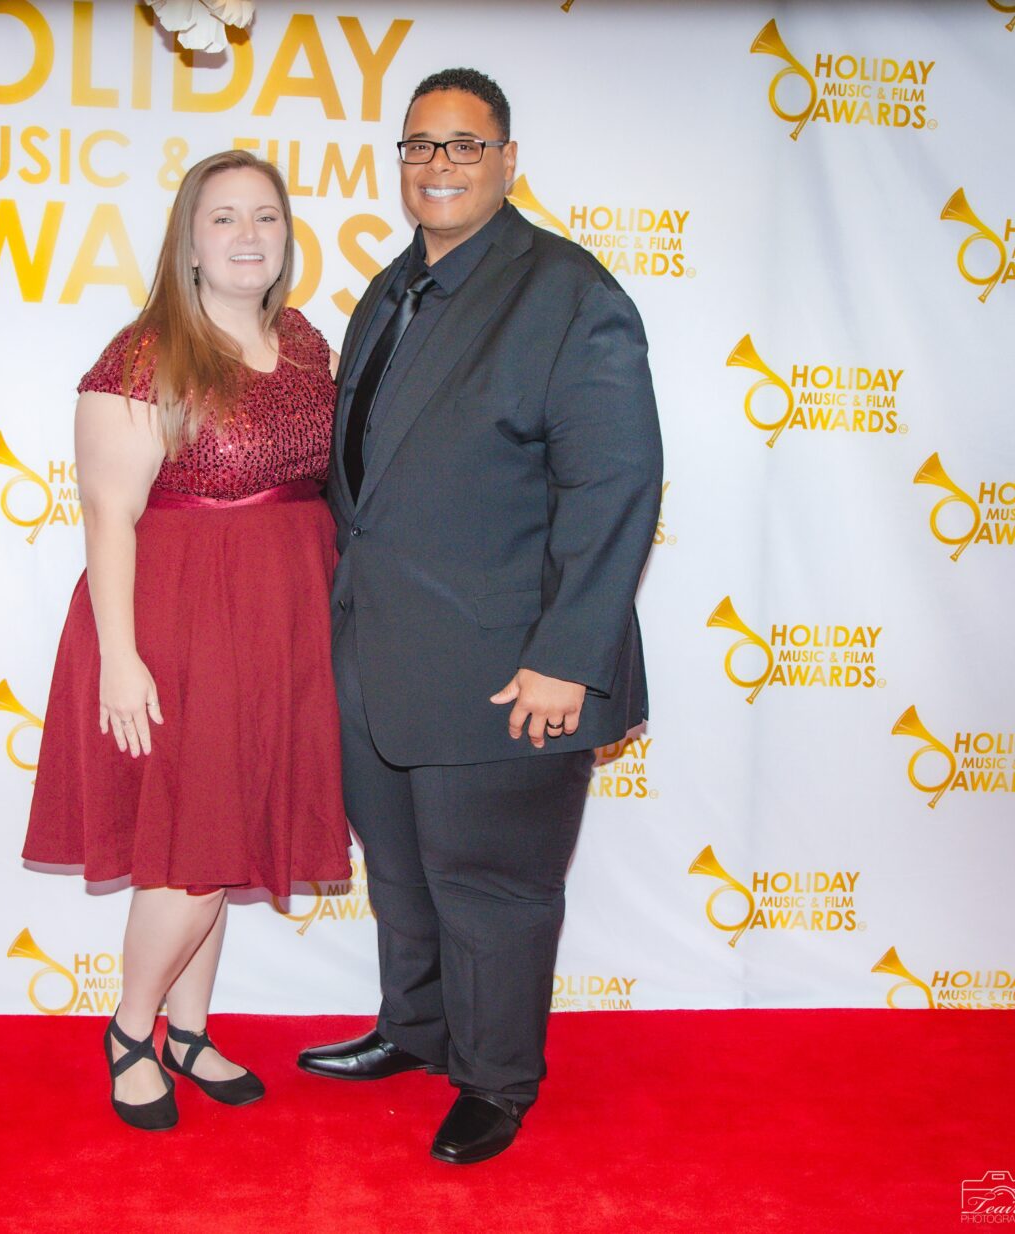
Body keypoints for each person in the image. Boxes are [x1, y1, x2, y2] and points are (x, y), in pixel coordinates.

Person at [296, 68, 662, 1164]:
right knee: (402, 870)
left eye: (463, 145)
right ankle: (415, 1031)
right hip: (377, 651)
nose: (438, 165)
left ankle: (497, 1078)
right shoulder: (390, 287)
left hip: (511, 665)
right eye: (419, 146)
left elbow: (617, 483)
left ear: (508, 162)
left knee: (492, 887)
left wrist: (567, 657)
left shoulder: (568, 291)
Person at [23, 149, 351, 1131]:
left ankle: (191, 1027)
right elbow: (108, 515)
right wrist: (121, 660)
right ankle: (131, 1029)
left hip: (284, 616)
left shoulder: (304, 341)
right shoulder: (145, 352)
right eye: (224, 219)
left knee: (225, 832)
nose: (248, 235)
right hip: (178, 623)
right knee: (192, 853)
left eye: (266, 217)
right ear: (190, 242)